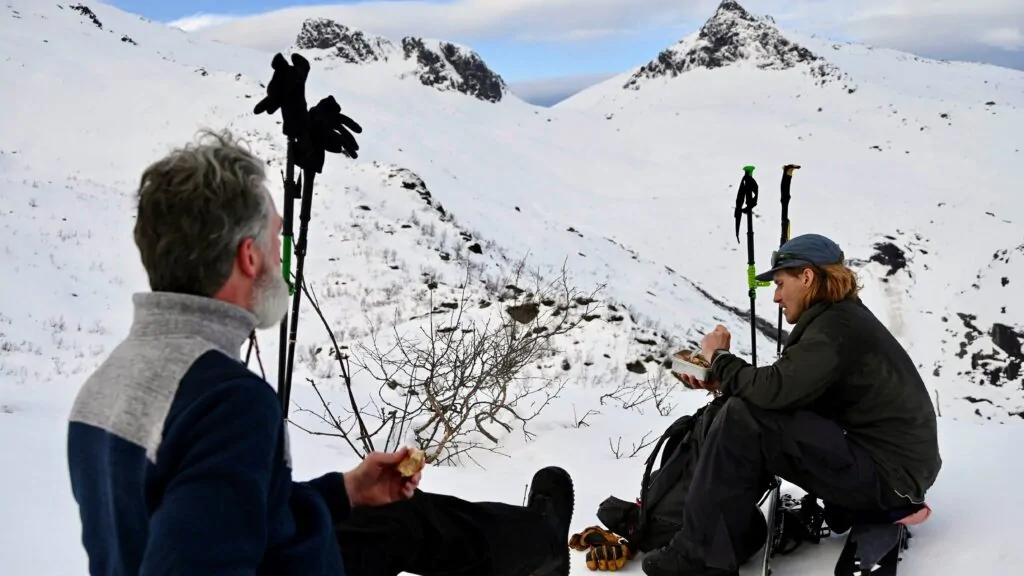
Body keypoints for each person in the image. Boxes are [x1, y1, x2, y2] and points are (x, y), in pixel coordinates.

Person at [66, 129, 574, 576]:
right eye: (275, 238)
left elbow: (211, 522)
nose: (277, 255)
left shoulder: (109, 381)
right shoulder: (224, 401)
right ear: (248, 257)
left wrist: (346, 492)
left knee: (394, 517)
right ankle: (541, 544)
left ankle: (539, 545)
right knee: (405, 527)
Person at [641, 233, 942, 576]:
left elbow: (774, 391)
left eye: (781, 284)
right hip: (889, 470)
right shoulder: (838, 319)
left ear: (808, 277)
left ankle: (699, 560)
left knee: (746, 416)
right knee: (741, 410)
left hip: (890, 479)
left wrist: (720, 358)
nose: (777, 297)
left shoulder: (835, 327)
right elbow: (793, 393)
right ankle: (716, 541)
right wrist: (721, 382)